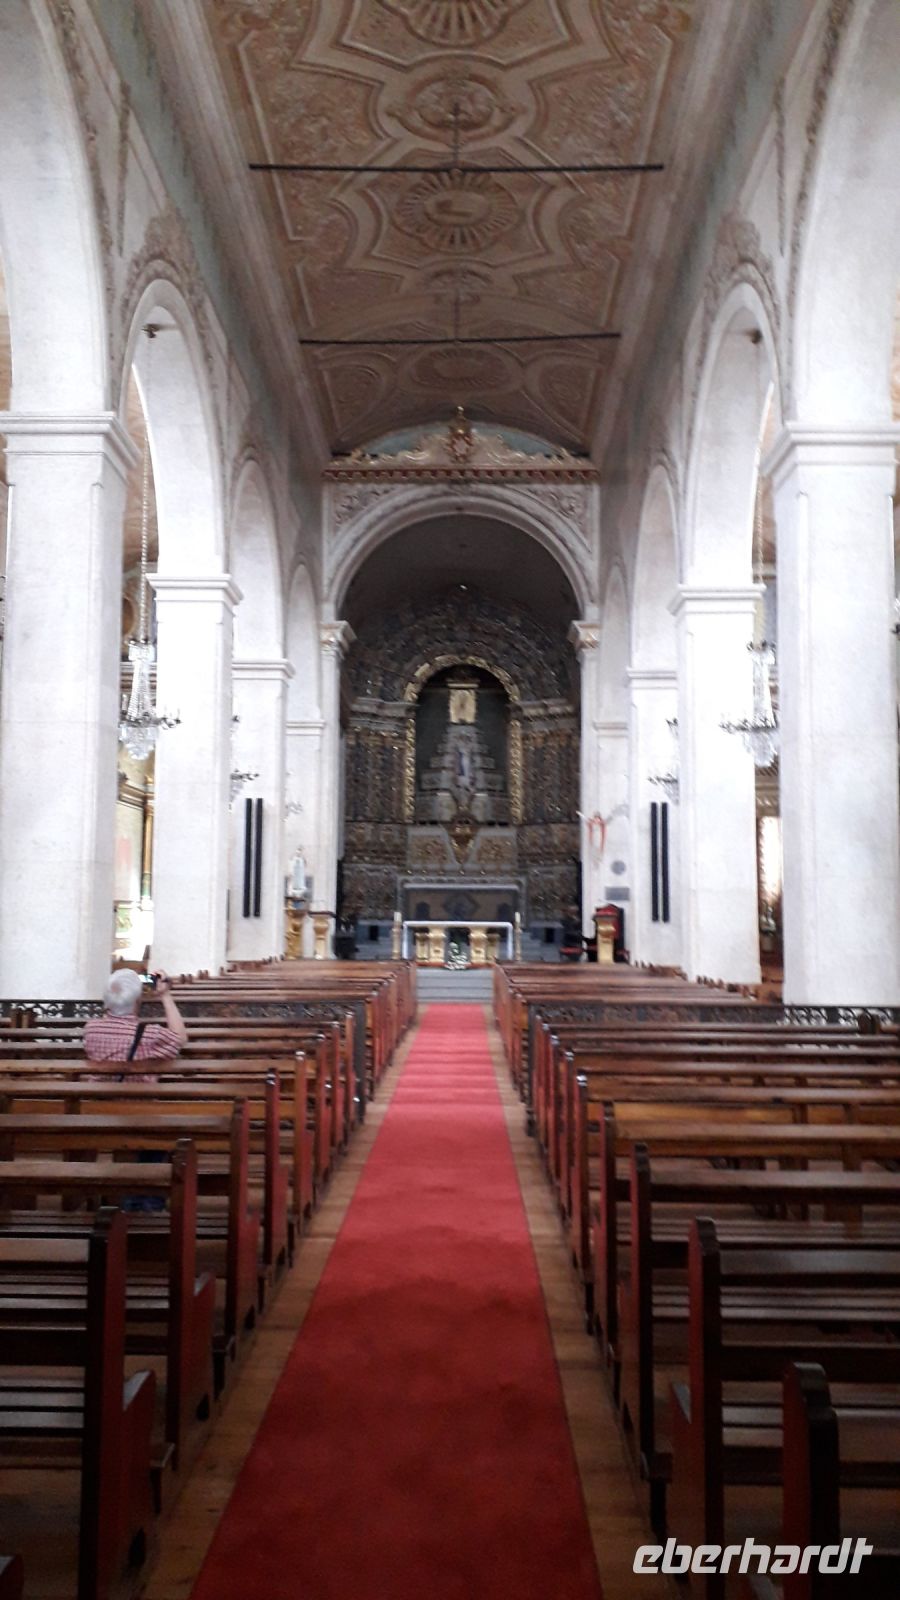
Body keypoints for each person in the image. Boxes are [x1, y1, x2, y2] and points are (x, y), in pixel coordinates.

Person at [83, 969, 188, 1210]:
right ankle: (145, 1199)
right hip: (138, 1112)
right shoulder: (150, 1034)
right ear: (138, 1000)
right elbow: (180, 1038)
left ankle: (124, 1195)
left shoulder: (91, 1029)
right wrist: (165, 996)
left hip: (97, 1110)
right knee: (162, 1132)